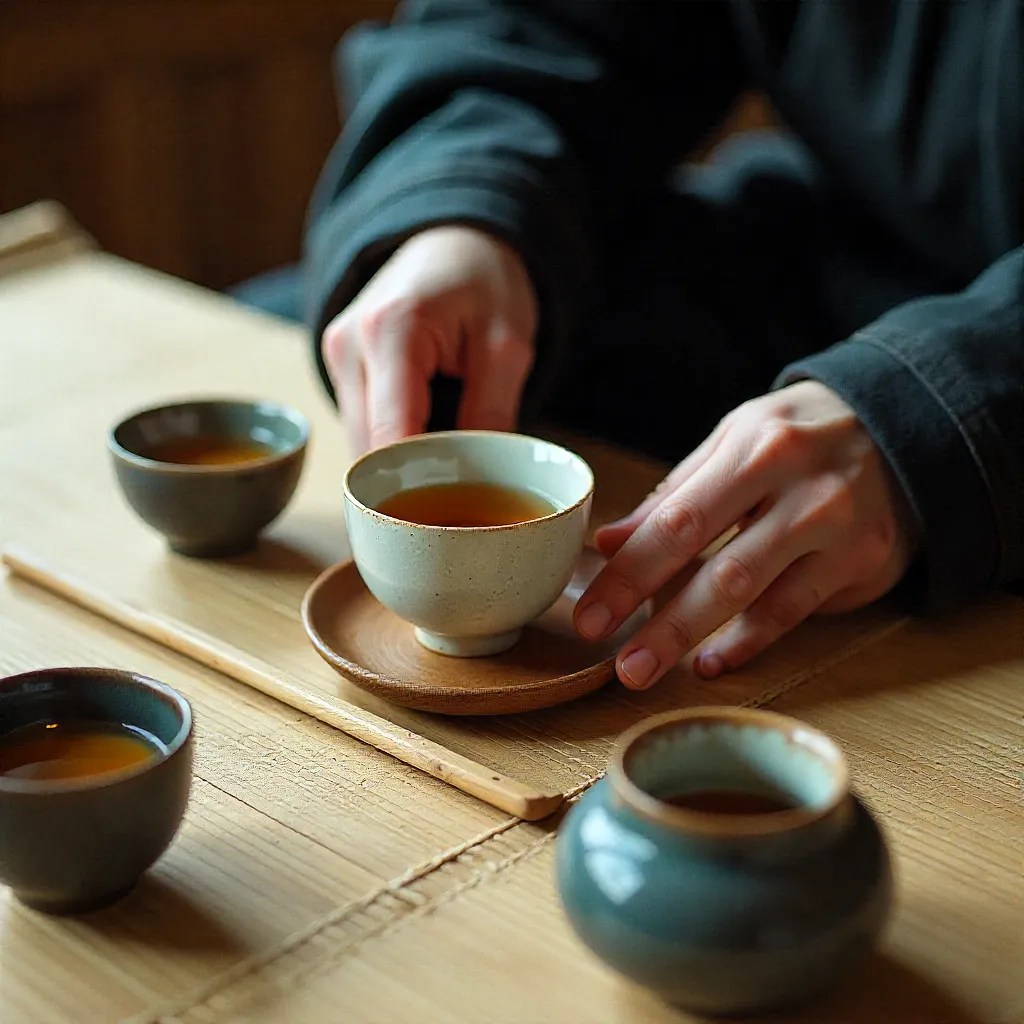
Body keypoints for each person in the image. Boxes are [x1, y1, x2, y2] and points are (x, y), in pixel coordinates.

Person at [299, 0, 1022, 692]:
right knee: (314, 304)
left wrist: (934, 413)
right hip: (808, 265)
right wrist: (464, 203)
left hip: (989, 365)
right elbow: (541, 22)